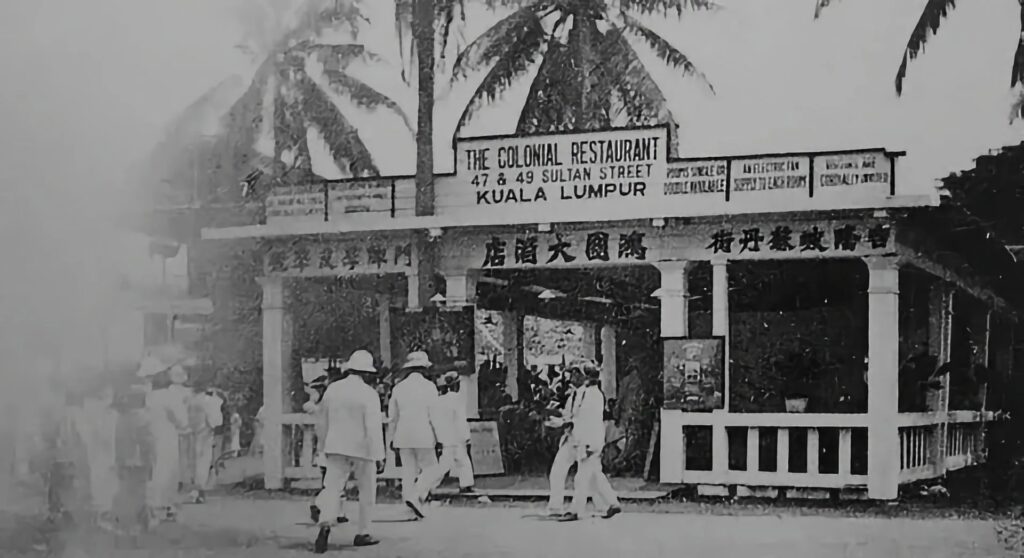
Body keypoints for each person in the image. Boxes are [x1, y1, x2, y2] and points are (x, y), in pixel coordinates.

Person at [312, 350, 385, 553]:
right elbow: (373, 427)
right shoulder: (369, 394)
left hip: (336, 445)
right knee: (367, 490)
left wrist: (323, 446)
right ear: (367, 373)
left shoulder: (333, 390)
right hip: (363, 447)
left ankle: (326, 523)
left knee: (332, 487)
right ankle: (363, 532)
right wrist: (379, 455)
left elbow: (322, 421)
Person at [544, 363, 611, 517]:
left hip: (585, 439)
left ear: (584, 377)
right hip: (572, 438)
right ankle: (555, 507)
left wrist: (563, 422)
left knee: (587, 476)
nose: (571, 378)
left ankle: (600, 506)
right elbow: (571, 415)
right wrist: (559, 419)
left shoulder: (592, 395)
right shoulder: (576, 394)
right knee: (558, 471)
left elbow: (583, 420)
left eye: (575, 374)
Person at [559, 363, 621, 522]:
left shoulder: (590, 395)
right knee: (595, 476)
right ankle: (612, 503)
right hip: (589, 439)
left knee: (582, 477)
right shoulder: (591, 394)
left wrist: (587, 444)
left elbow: (587, 422)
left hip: (588, 440)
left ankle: (575, 510)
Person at [387, 351, 440, 519]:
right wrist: (440, 437)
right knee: (432, 469)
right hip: (424, 433)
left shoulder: (398, 388)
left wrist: (391, 437)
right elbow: (435, 415)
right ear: (424, 369)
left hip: (403, 433)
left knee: (408, 471)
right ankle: (416, 495)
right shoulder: (429, 387)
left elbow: (392, 417)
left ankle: (410, 507)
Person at [140, 358, 189, 523]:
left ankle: (154, 504)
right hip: (167, 434)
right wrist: (183, 426)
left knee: (154, 468)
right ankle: (164, 505)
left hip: (151, 435)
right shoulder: (169, 396)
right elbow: (181, 419)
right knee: (168, 469)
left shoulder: (148, 397)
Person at [415, 371, 475, 501]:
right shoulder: (456, 399)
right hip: (456, 436)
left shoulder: (439, 400)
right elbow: (460, 419)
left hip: (445, 436)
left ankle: (466, 483)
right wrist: (466, 436)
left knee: (459, 460)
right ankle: (424, 487)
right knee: (449, 464)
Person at [304, 369, 348, 525]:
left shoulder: (324, 403)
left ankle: (337, 511)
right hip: (334, 446)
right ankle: (321, 504)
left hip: (326, 446)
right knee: (336, 480)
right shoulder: (328, 403)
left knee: (332, 480)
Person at [113, 377, 155, 535]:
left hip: (125, 460)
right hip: (140, 461)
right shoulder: (144, 418)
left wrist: (118, 461)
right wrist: (151, 461)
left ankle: (127, 522)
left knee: (126, 491)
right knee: (140, 492)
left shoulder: (122, 418)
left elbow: (117, 443)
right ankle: (140, 522)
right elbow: (148, 443)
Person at [79, 374, 119, 530]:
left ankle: (103, 515)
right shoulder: (92, 411)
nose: (108, 397)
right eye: (105, 394)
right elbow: (89, 434)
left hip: (109, 454)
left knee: (109, 484)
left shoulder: (113, 414)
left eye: (110, 394)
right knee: (98, 483)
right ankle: (99, 516)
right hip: (97, 453)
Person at [187, 382, 224, 504]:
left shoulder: (193, 399)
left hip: (192, 432)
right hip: (205, 432)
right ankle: (198, 491)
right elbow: (216, 420)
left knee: (194, 461)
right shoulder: (213, 401)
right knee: (203, 461)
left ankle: (195, 491)